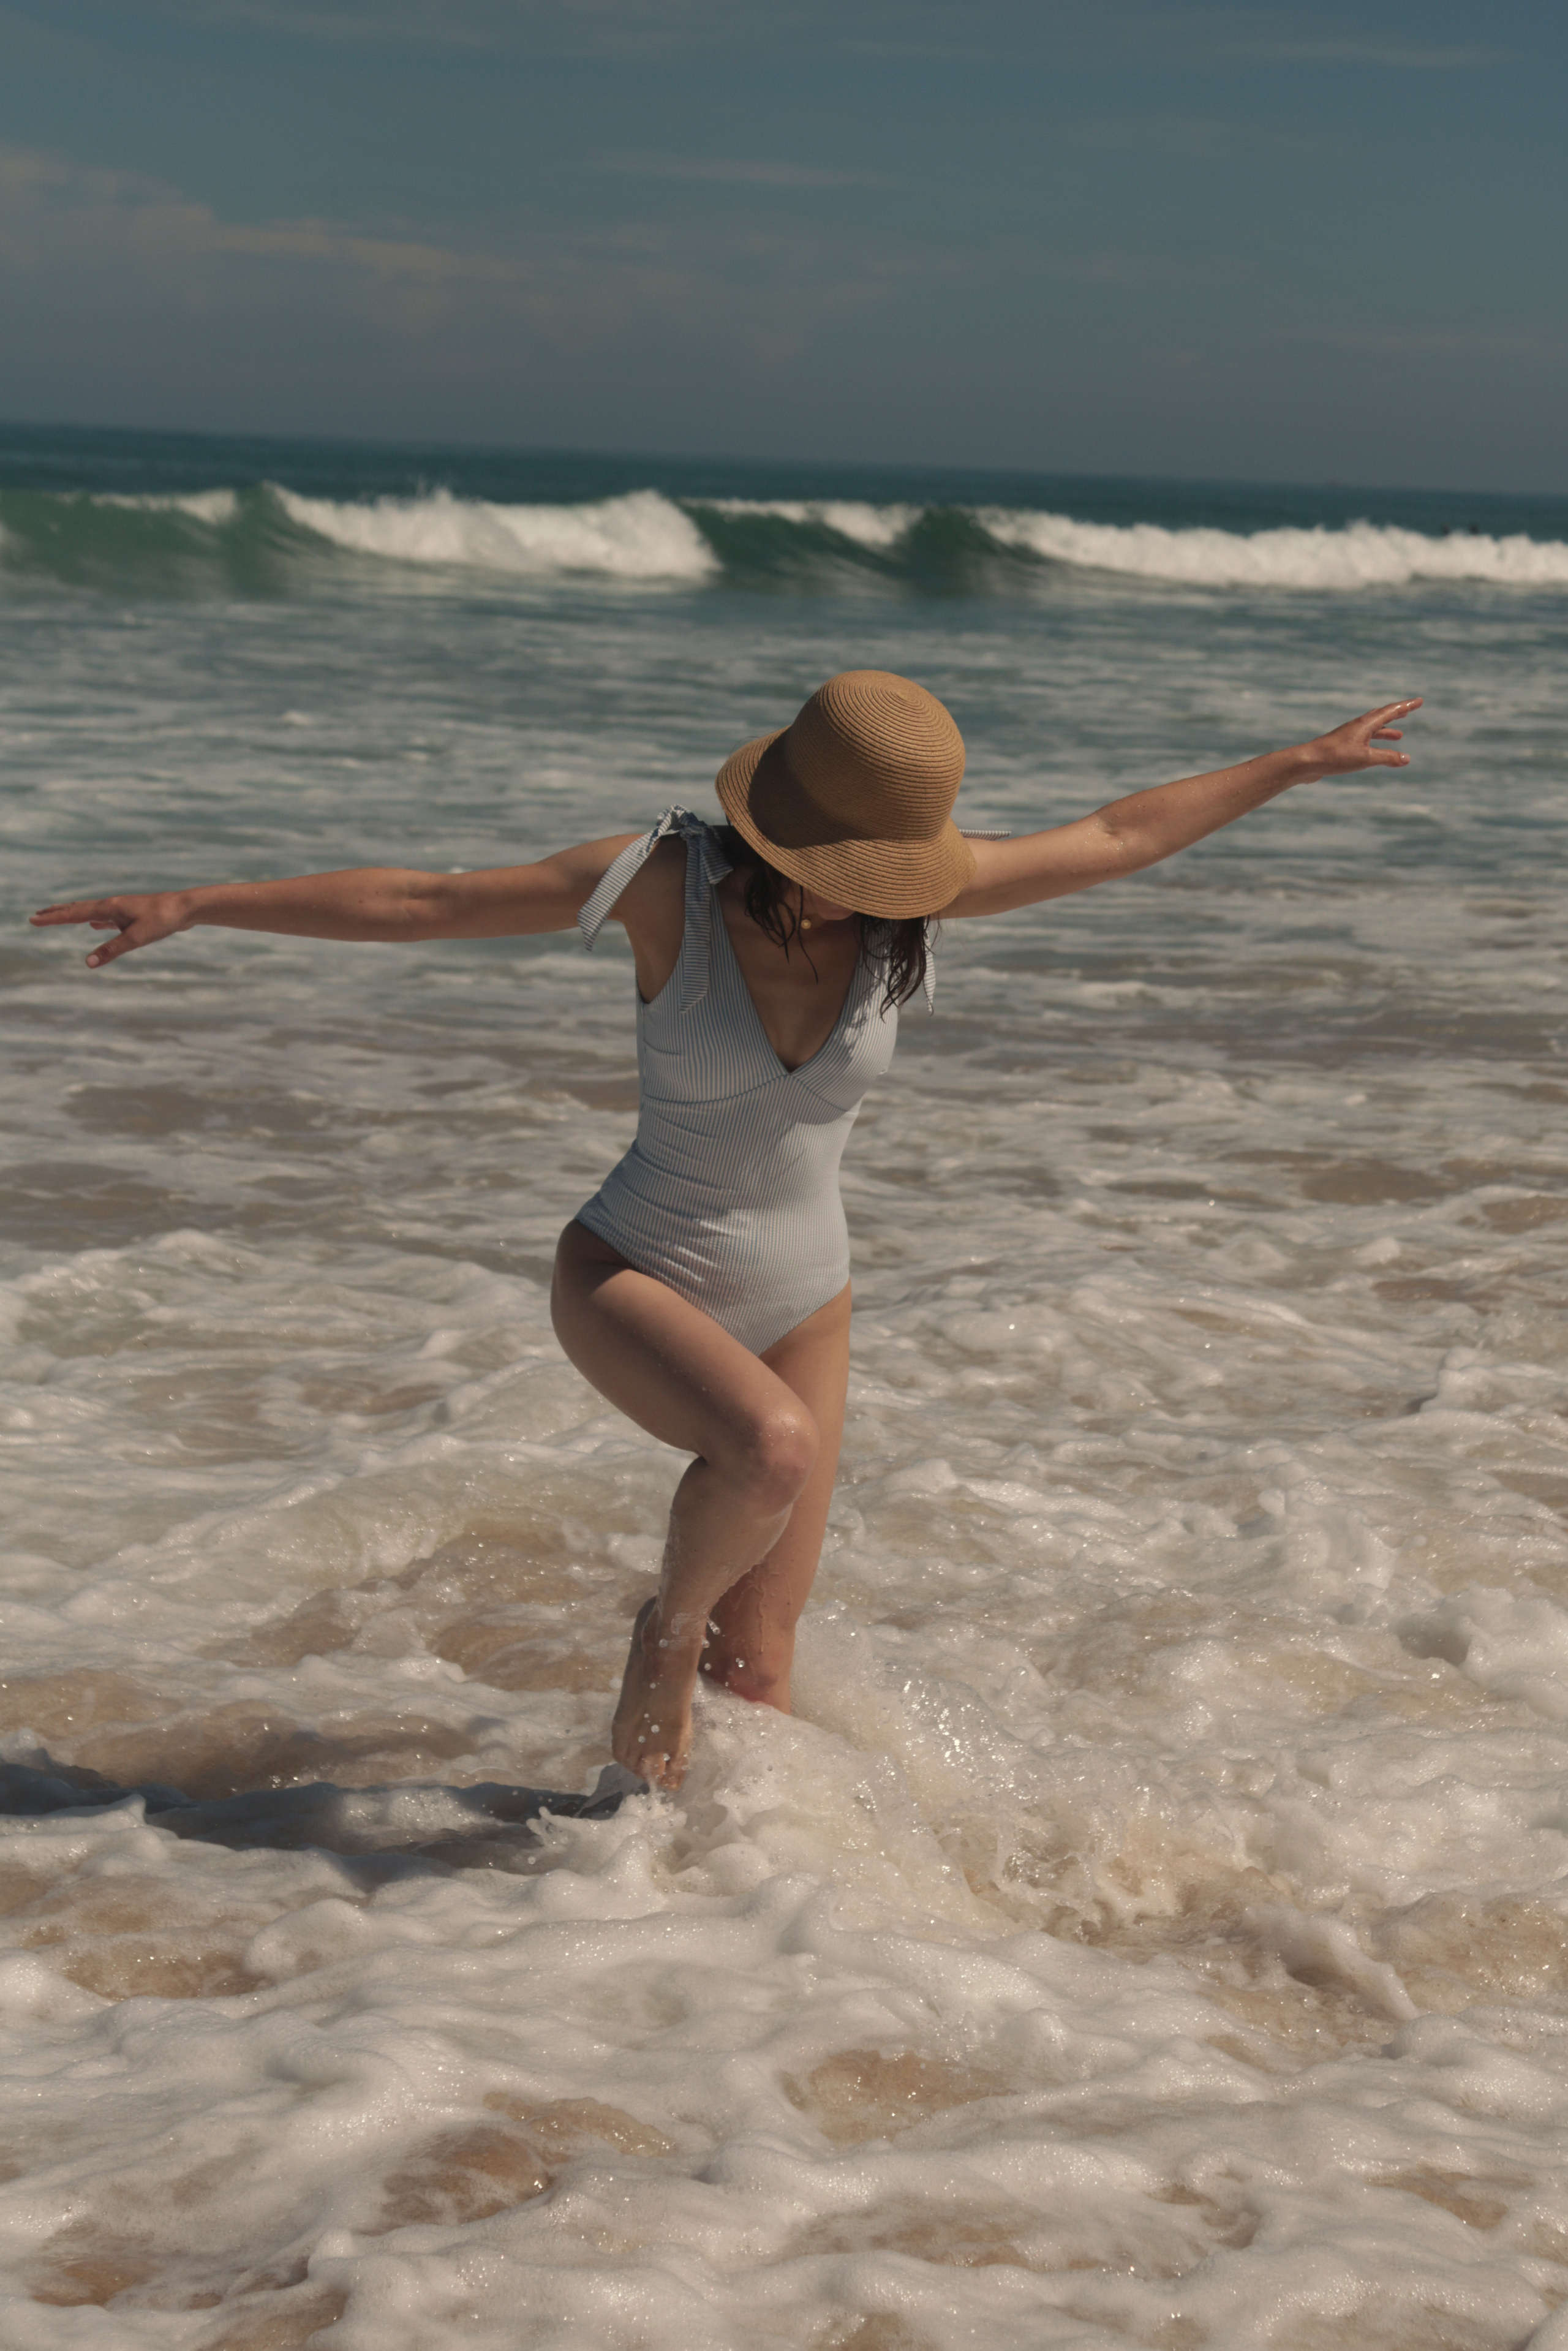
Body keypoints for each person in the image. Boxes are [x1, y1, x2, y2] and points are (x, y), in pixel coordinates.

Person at [31, 670, 1421, 1791]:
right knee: (762, 1452)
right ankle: (664, 1623)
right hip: (634, 1271)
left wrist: (1293, 762)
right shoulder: (659, 884)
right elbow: (427, 898)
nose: (847, 889)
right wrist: (199, 901)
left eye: (874, 867)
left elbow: (1118, 833)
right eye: (825, 860)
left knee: (759, 1679)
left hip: (806, 1301)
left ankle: (670, 1928)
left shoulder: (911, 902)